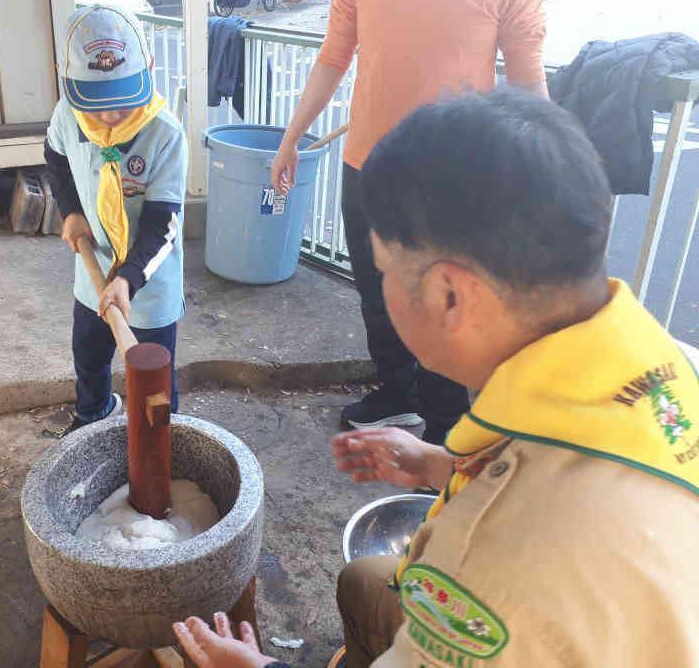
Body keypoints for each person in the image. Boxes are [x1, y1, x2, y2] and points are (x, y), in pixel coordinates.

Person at [175, 88, 699, 667]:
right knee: (364, 583)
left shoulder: (484, 567)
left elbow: (521, 540)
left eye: (381, 273)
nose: (378, 292)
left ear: (450, 294)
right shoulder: (669, 356)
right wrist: (446, 466)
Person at [270, 0, 548, 444]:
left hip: (454, 176)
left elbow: (527, 79)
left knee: (446, 305)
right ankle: (397, 392)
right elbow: (333, 55)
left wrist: (550, 172)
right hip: (367, 163)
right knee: (374, 289)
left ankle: (446, 433)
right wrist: (292, 134)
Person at [44, 4, 188, 437]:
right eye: (98, 105)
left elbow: (163, 227)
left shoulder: (163, 133)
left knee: (153, 378)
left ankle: (162, 442)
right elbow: (55, 156)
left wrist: (127, 279)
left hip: (148, 280)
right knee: (88, 355)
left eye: (121, 103)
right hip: (92, 276)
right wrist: (70, 210)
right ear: (65, 77)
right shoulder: (68, 114)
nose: (109, 116)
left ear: (149, 67)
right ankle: (93, 415)